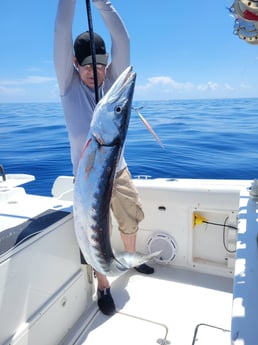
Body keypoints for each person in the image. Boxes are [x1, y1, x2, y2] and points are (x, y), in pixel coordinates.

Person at [54, 0, 154, 316]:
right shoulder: (67, 85)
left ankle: (129, 258)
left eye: (100, 66)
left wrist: (101, 3)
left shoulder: (112, 84)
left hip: (118, 169)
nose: (95, 73)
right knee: (96, 231)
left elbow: (122, 40)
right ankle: (103, 285)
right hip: (86, 179)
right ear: (73, 62)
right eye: (87, 66)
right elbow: (60, 30)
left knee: (130, 215)